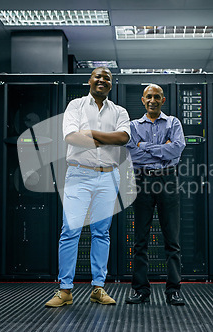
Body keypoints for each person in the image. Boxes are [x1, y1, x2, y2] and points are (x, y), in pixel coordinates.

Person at [45, 67, 131, 307]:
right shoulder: (76, 105)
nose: (102, 80)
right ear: (90, 81)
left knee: (101, 232)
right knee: (70, 231)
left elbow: (124, 138)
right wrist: (107, 137)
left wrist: (91, 134)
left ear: (111, 84)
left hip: (108, 176)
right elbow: (71, 137)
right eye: (98, 77)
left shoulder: (120, 111)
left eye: (107, 78)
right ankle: (65, 290)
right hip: (79, 174)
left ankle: (98, 288)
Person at [125, 84, 186, 306]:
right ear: (143, 100)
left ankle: (174, 290)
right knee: (140, 239)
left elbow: (177, 149)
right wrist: (161, 149)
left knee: (172, 239)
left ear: (163, 100)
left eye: (157, 97)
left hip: (167, 179)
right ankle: (140, 290)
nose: (153, 100)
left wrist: (145, 146)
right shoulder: (132, 125)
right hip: (141, 180)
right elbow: (132, 153)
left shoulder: (174, 123)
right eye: (149, 96)